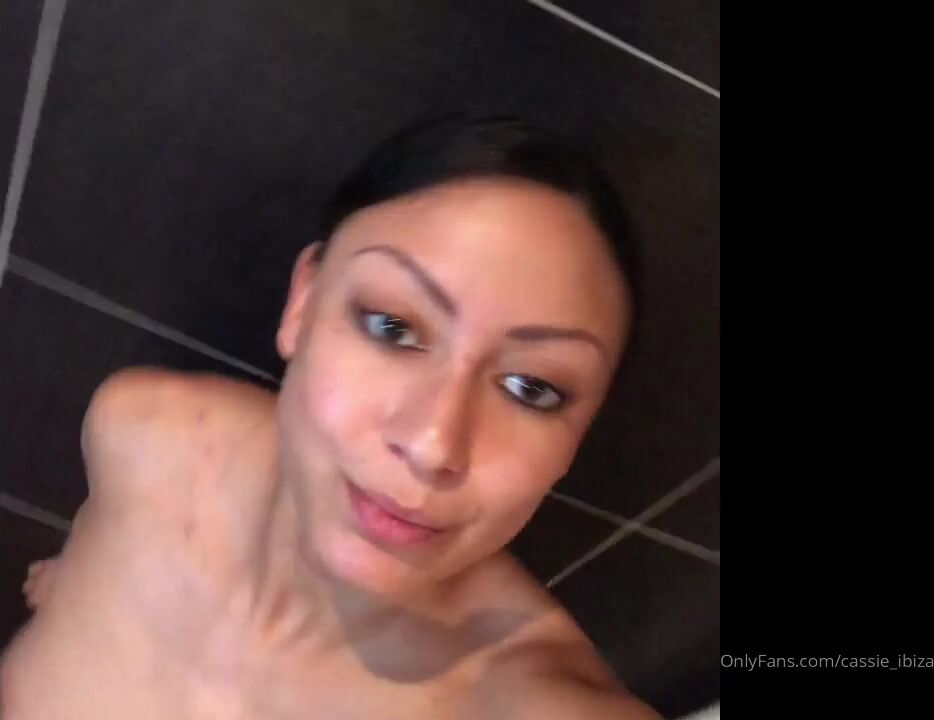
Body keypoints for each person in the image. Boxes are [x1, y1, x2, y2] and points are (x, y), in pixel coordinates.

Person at [1, 114, 660, 719]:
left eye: (531, 388)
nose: (433, 444)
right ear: (303, 302)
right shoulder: (142, 432)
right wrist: (75, 577)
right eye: (392, 327)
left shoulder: (524, 703)